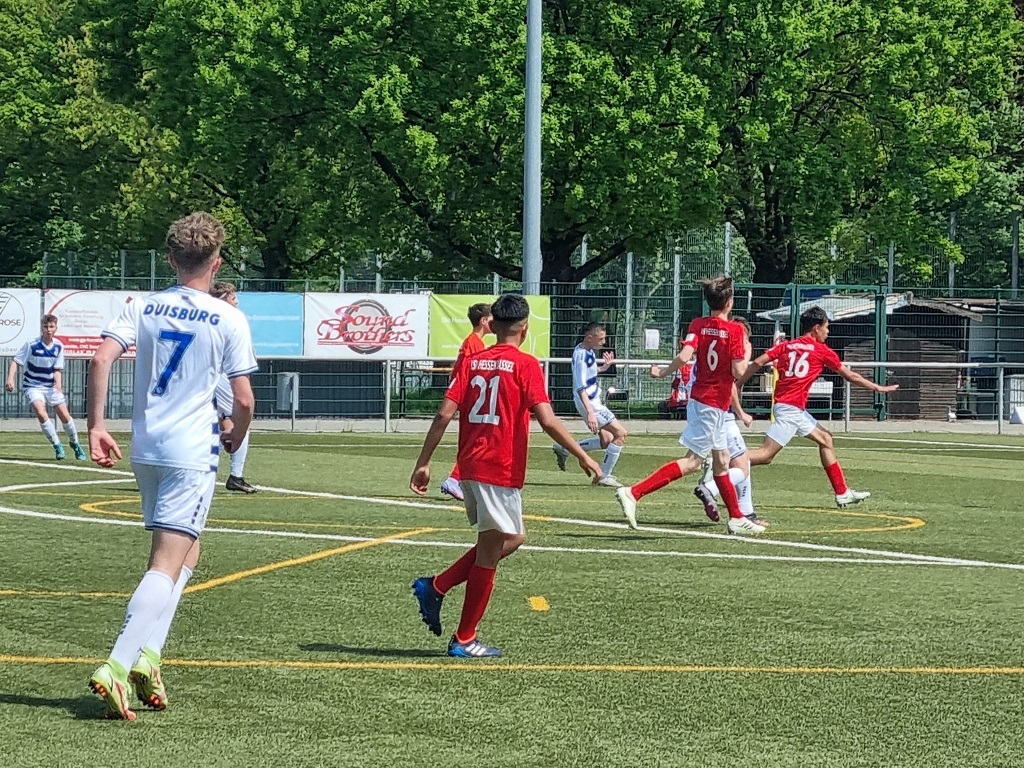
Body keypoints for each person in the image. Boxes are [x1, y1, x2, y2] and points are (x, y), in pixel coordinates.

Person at [86, 212, 257, 720]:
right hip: (190, 451)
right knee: (165, 562)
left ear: (170, 259)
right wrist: (237, 434)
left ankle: (149, 656)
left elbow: (100, 359)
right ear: (217, 262)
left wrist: (97, 425)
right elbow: (244, 399)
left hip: (147, 448)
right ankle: (117, 665)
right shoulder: (228, 317)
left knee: (187, 552)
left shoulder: (141, 304)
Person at [410, 294, 602, 658]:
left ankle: (437, 587)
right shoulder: (527, 365)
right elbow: (547, 419)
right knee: (500, 546)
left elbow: (444, 414)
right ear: (525, 329)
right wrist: (583, 456)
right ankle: (463, 636)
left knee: (507, 539)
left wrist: (424, 462)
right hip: (498, 467)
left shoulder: (473, 361)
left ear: (492, 324)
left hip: (470, 466)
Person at [615, 275, 763, 535]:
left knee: (722, 461)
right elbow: (739, 372)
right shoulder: (735, 331)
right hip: (713, 403)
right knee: (693, 462)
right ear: (730, 302)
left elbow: (685, 356)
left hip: (700, 399)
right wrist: (748, 353)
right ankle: (633, 492)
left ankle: (737, 517)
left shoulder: (698, 324)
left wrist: (662, 372)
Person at [736, 306, 899, 507]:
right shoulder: (821, 351)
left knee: (826, 439)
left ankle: (842, 492)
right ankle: (723, 464)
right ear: (816, 328)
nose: (828, 332)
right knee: (765, 455)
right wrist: (877, 387)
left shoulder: (787, 346)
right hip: (791, 409)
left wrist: (739, 383)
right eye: (826, 327)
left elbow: (758, 363)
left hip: (789, 407)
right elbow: (850, 375)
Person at [690, 316, 768, 527]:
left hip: (703, 408)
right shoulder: (729, 352)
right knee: (740, 467)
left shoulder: (712, 345)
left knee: (733, 462)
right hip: (719, 413)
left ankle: (745, 513)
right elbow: (732, 382)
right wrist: (741, 412)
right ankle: (711, 489)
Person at [552, 322, 628, 488]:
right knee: (620, 434)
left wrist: (604, 367)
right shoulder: (581, 356)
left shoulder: (587, 351)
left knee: (607, 440)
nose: (603, 342)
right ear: (589, 337)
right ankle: (604, 476)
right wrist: (591, 412)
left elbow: (590, 374)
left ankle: (565, 448)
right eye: (600, 339)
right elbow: (580, 387)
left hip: (592, 402)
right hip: (591, 404)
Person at [5, 314, 87, 461]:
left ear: (56, 328)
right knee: (41, 412)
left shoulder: (58, 346)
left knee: (65, 415)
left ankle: (75, 443)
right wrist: (10, 378)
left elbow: (57, 369)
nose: (48, 330)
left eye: (51, 327)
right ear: (42, 328)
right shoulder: (31, 344)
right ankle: (57, 446)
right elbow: (16, 361)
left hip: (50, 386)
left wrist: (58, 384)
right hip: (33, 386)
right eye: (46, 327)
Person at [439, 302, 493, 501]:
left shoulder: (474, 342)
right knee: (477, 442)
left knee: (477, 442)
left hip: (469, 397)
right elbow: (469, 371)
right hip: (469, 397)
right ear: (484, 321)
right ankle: (455, 479)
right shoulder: (474, 342)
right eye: (492, 319)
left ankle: (461, 479)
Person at [211, 281, 257, 494]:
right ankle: (235, 476)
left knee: (223, 422)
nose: (237, 302)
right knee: (241, 422)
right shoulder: (229, 319)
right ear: (222, 300)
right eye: (233, 298)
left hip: (209, 376)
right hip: (222, 376)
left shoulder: (204, 317)